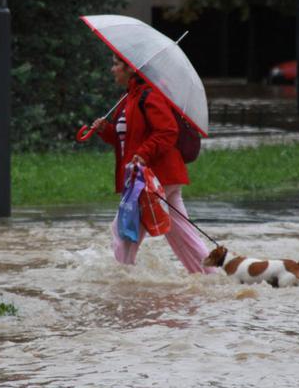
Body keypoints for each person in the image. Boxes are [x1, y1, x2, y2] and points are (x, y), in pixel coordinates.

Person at [90, 55, 214, 274]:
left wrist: (143, 154)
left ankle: (121, 284)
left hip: (153, 178)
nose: (112, 69)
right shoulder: (129, 97)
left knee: (123, 233)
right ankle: (212, 278)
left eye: (116, 65)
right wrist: (106, 130)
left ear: (131, 69)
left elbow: (167, 131)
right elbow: (129, 139)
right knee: (181, 234)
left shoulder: (149, 94)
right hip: (159, 178)